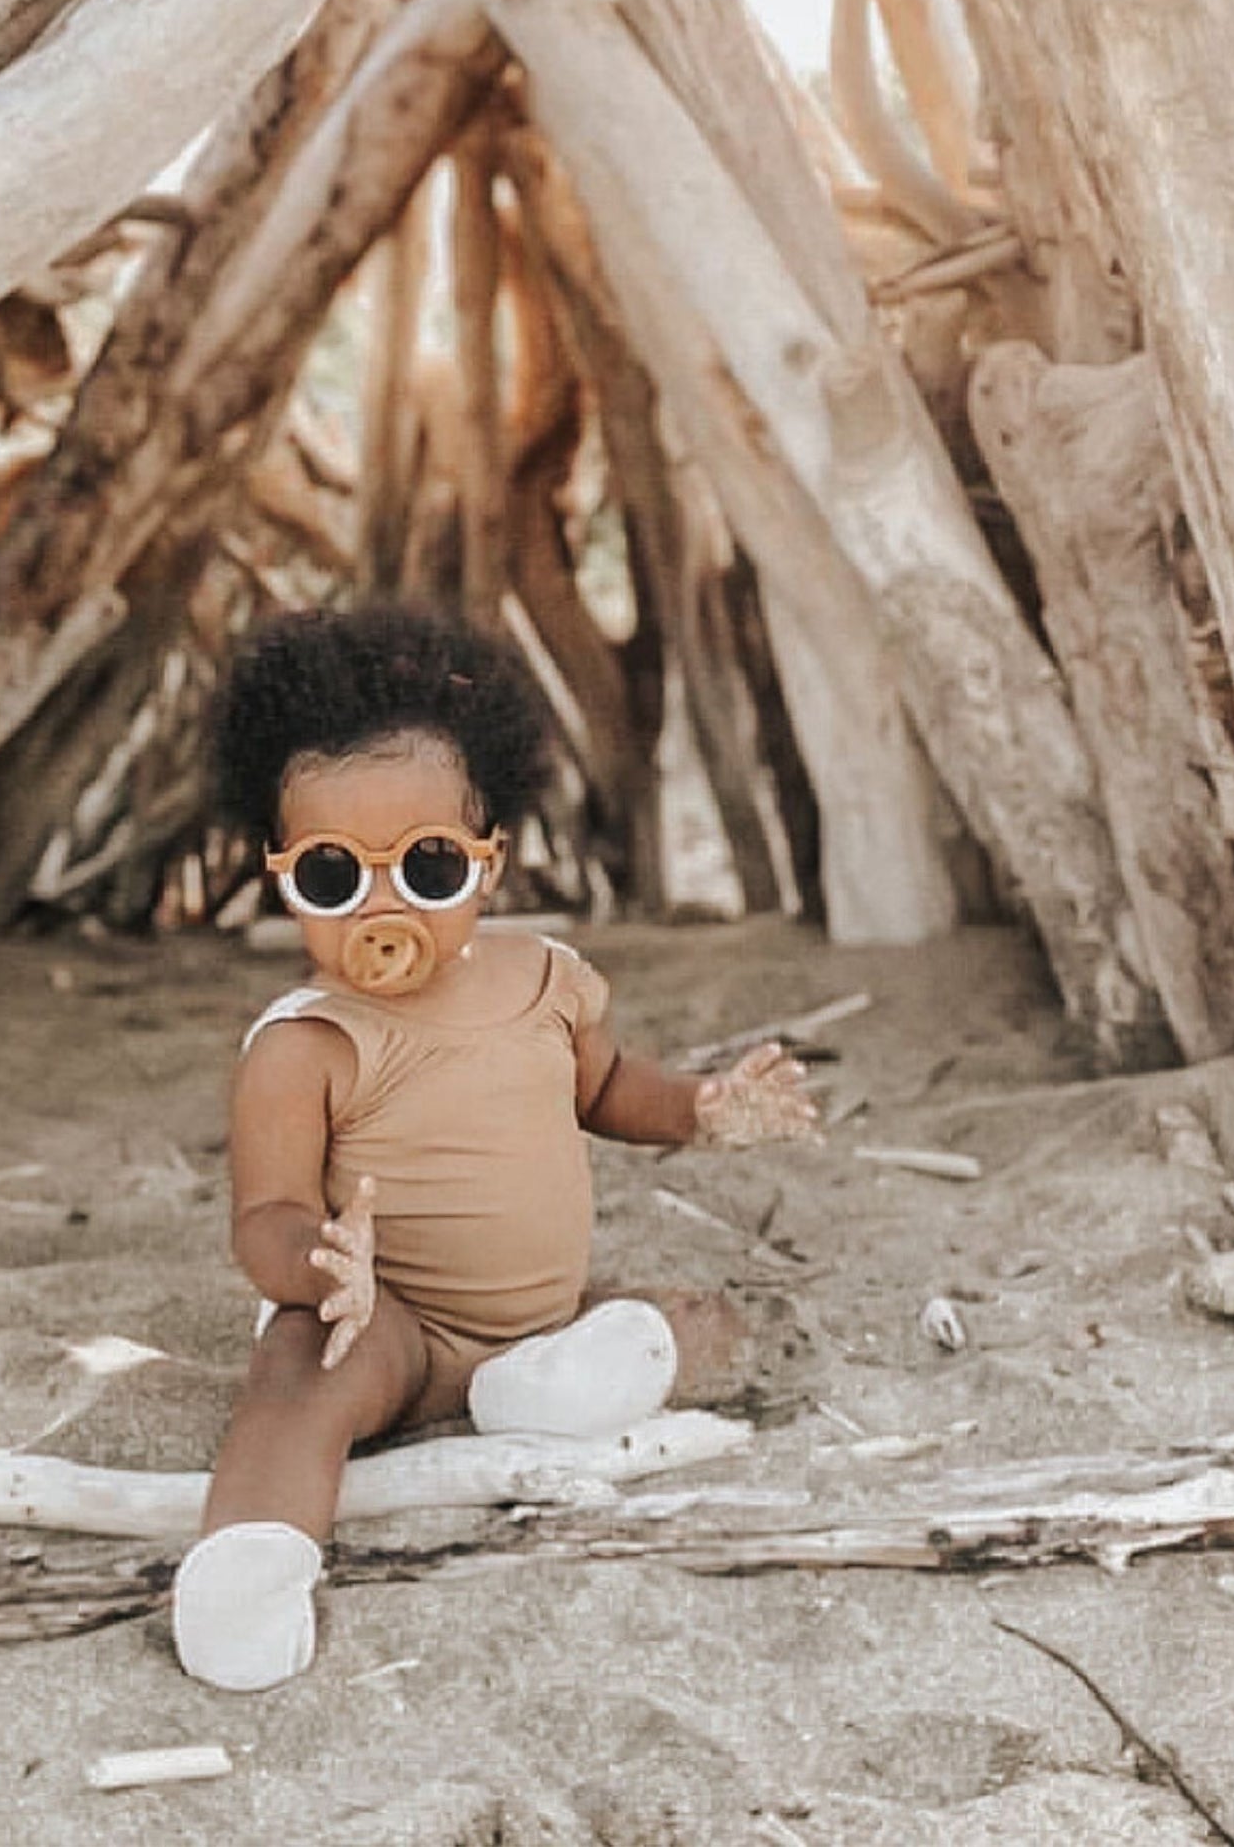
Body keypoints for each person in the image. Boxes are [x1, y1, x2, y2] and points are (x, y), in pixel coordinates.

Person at [174, 602, 818, 1691]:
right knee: (300, 1363)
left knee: (699, 1317)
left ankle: (554, 1380)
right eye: (334, 878)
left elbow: (608, 1088)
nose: (382, 904)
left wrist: (704, 1108)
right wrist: (316, 1259)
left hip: (544, 1309)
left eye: (424, 867)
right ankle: (250, 1559)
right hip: (400, 1327)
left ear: (489, 858)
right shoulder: (304, 1045)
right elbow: (265, 1215)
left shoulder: (543, 977)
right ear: (284, 875)